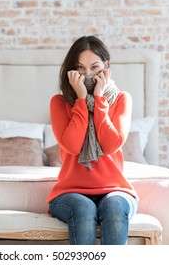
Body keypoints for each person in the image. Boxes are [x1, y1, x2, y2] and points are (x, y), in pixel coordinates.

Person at [47, 35, 138, 245]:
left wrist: (98, 100)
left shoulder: (122, 99)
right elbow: (72, 146)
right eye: (80, 68)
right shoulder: (59, 102)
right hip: (69, 192)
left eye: (94, 67)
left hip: (116, 189)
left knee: (115, 207)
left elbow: (111, 144)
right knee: (83, 207)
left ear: (106, 66)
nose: (87, 74)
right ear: (71, 70)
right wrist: (80, 100)